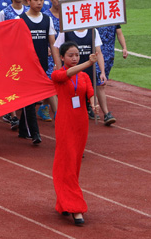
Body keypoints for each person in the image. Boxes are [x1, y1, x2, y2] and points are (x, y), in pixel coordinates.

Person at [52, 42, 100, 226]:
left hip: (81, 124)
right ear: (62, 57)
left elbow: (90, 93)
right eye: (70, 55)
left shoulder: (85, 77)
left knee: (74, 163)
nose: (74, 58)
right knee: (67, 163)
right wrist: (88, 63)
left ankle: (63, 202)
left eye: (77, 55)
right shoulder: (57, 74)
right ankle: (75, 207)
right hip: (65, 123)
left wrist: (94, 104)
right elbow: (68, 74)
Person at [18, 0, 61, 145]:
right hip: (26, 67)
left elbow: (53, 44)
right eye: (35, 0)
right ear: (28, 0)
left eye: (41, 0)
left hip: (41, 66)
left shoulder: (47, 20)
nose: (39, 3)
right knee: (30, 99)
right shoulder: (21, 20)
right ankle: (34, 132)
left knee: (33, 98)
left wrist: (58, 65)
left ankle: (23, 129)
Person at [93, 0, 128, 126]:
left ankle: (89, 105)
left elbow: (119, 32)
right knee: (100, 83)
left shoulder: (114, 15)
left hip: (109, 56)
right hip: (95, 55)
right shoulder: (92, 16)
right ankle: (106, 113)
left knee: (100, 82)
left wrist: (124, 47)